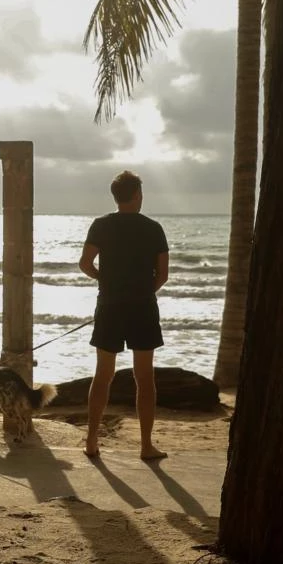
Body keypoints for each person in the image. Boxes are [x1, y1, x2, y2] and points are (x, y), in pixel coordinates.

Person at [78, 170, 169, 460]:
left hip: (109, 307)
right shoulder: (153, 228)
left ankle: (92, 441)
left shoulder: (101, 225)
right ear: (138, 195)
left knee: (103, 375)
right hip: (142, 307)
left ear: (116, 197)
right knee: (145, 378)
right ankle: (145, 445)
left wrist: (106, 281)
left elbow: (85, 263)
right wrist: (143, 289)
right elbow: (163, 275)